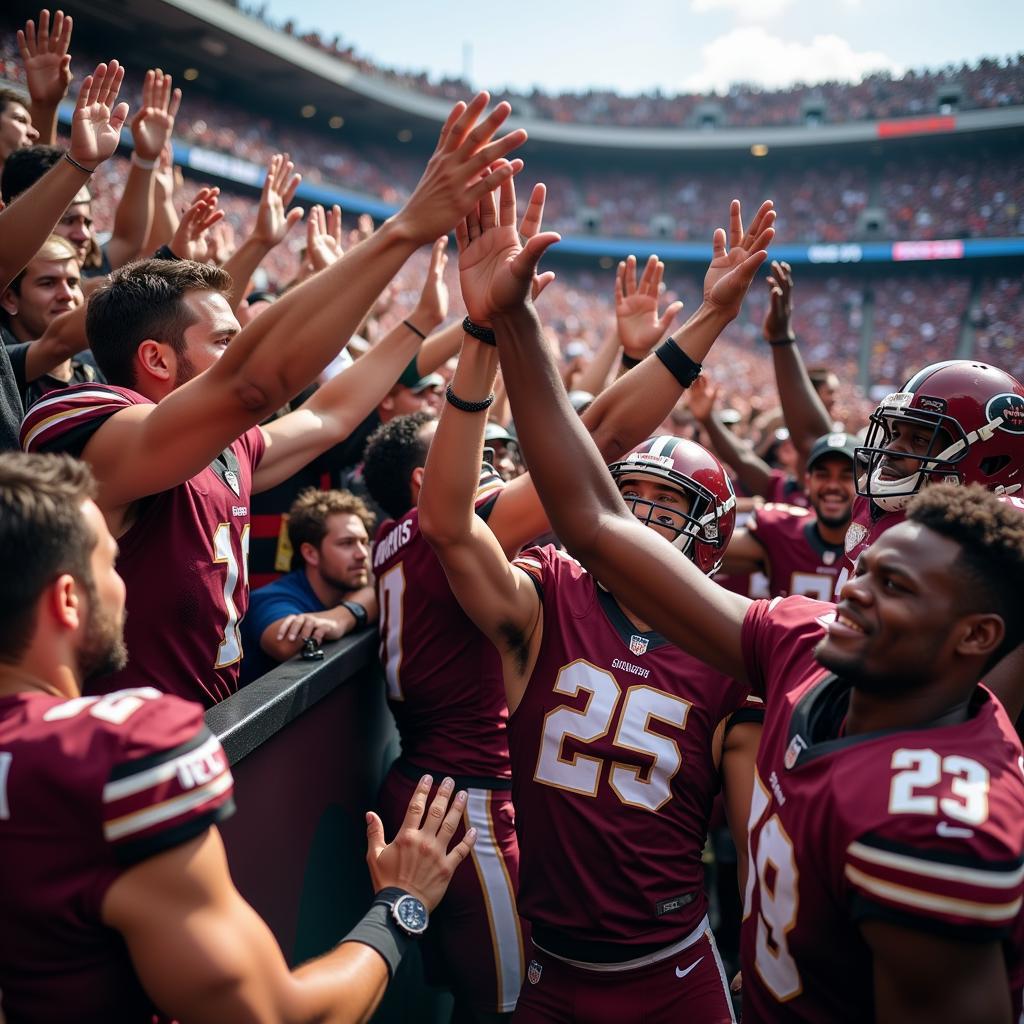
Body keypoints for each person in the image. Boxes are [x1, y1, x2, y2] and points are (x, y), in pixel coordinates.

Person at [488, 242, 1024, 1022]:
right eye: (865, 571)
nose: (858, 592)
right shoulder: (805, 644)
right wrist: (513, 325)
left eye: (895, 585)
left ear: (978, 636)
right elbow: (597, 524)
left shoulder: (938, 816)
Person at [22, 92, 529, 707]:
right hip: (111, 759)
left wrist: (433, 324)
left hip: (202, 737)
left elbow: (331, 414)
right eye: (225, 342)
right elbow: (252, 384)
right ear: (156, 358)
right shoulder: (87, 426)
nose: (237, 354)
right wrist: (403, 231)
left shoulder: (226, 446)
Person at [416, 179, 778, 1022]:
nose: (646, 523)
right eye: (634, 501)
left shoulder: (735, 649)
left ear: (714, 536)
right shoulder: (550, 592)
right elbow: (448, 526)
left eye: (669, 509)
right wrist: (481, 336)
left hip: (672, 969)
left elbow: (758, 850)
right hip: (551, 964)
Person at [0, 450, 477, 1024]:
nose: (124, 585)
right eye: (111, 562)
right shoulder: (118, 754)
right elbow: (275, 1015)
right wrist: (402, 904)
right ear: (68, 600)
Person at [240, 488, 377, 684]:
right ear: (310, 553)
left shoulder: (359, 586)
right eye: (347, 543)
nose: (362, 553)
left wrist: (349, 611)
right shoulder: (269, 598)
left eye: (364, 542)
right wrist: (350, 612)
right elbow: (285, 642)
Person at [719, 432, 856, 600]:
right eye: (823, 475)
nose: (833, 485)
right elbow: (704, 547)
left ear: (863, 483)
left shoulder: (875, 546)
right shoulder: (782, 531)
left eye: (847, 476)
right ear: (807, 482)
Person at [1, 233, 98, 408]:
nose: (67, 295)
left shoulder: (94, 367)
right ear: (10, 299)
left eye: (73, 282)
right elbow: (60, 343)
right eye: (47, 283)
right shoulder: (6, 366)